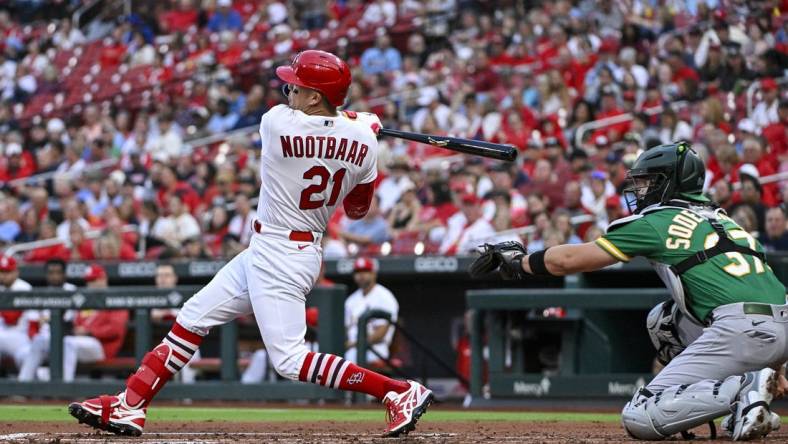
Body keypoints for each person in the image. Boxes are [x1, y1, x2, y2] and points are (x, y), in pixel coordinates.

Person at [69, 50, 432, 437]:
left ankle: (398, 391)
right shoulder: (363, 140)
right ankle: (131, 405)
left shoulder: (276, 123)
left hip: (281, 255)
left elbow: (318, 127)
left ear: (314, 97)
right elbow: (358, 209)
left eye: (297, 85)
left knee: (290, 361)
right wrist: (359, 132)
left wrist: (352, 122)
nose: (287, 88)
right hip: (281, 248)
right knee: (192, 318)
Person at [471, 142, 788, 440]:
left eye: (648, 181)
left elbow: (569, 260)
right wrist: (777, 365)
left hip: (742, 332)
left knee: (638, 416)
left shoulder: (657, 220)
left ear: (669, 182)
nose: (640, 189)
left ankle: (741, 390)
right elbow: (768, 293)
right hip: (778, 327)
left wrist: (521, 262)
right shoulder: (729, 222)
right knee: (663, 320)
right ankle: (745, 400)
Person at [19, 264, 129, 382]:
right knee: (40, 341)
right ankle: (22, 385)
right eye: (89, 281)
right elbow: (73, 324)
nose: (92, 284)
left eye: (95, 279)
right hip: (78, 342)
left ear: (104, 279)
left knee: (67, 343)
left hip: (101, 347)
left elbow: (115, 329)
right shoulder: (85, 301)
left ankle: (63, 388)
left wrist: (89, 332)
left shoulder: (115, 298)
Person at [344, 257, 399, 364]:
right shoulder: (351, 300)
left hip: (375, 350)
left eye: (365, 271)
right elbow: (345, 329)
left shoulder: (384, 297)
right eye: (358, 272)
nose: (361, 275)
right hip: (351, 350)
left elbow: (381, 333)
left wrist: (354, 344)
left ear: (374, 274)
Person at [0, 255, 34, 373]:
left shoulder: (24, 288)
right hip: (4, 335)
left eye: (6, 272)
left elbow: (11, 318)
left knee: (28, 356)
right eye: (1, 271)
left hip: (20, 337)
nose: (3, 275)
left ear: (16, 272)